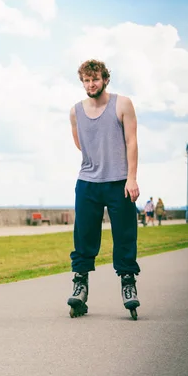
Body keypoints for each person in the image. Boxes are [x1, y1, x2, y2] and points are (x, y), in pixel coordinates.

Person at [66, 59, 141, 320]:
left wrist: (131, 178)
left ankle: (128, 283)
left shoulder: (122, 104)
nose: (90, 84)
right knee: (84, 237)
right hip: (88, 183)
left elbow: (131, 142)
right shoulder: (75, 111)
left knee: (124, 235)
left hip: (119, 182)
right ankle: (80, 285)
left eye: (95, 79)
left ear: (105, 79)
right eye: (86, 80)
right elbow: (80, 144)